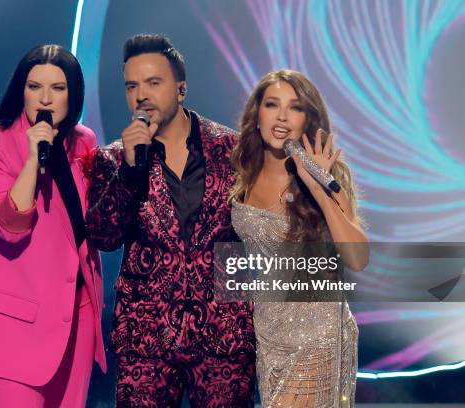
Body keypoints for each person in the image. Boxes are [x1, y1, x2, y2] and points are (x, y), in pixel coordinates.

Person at [86, 34, 256, 407]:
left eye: (153, 83)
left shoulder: (234, 150)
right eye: (132, 86)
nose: (141, 95)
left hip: (224, 336)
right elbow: (103, 235)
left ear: (180, 89)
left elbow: (260, 228)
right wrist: (131, 170)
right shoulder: (113, 159)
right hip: (147, 339)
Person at [0, 44, 106, 408]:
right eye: (35, 87)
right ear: (21, 91)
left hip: (75, 320)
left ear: (73, 95)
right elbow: (10, 226)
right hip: (12, 323)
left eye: (58, 88)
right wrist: (34, 159)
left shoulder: (84, 141)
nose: (45, 99)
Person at [230, 69, 369, 407]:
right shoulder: (241, 175)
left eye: (294, 108)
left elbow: (358, 259)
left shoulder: (324, 178)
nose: (281, 116)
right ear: (257, 115)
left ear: (307, 119)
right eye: (272, 104)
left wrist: (319, 188)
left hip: (318, 334)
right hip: (268, 334)